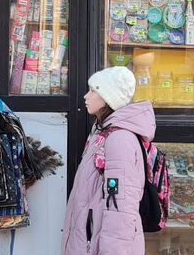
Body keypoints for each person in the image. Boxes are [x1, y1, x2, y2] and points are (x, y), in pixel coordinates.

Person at [62, 66, 156, 255]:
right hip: (90, 240)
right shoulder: (103, 133)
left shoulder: (119, 140)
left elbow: (120, 207)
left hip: (99, 245)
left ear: (108, 97)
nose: (86, 97)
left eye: (93, 91)